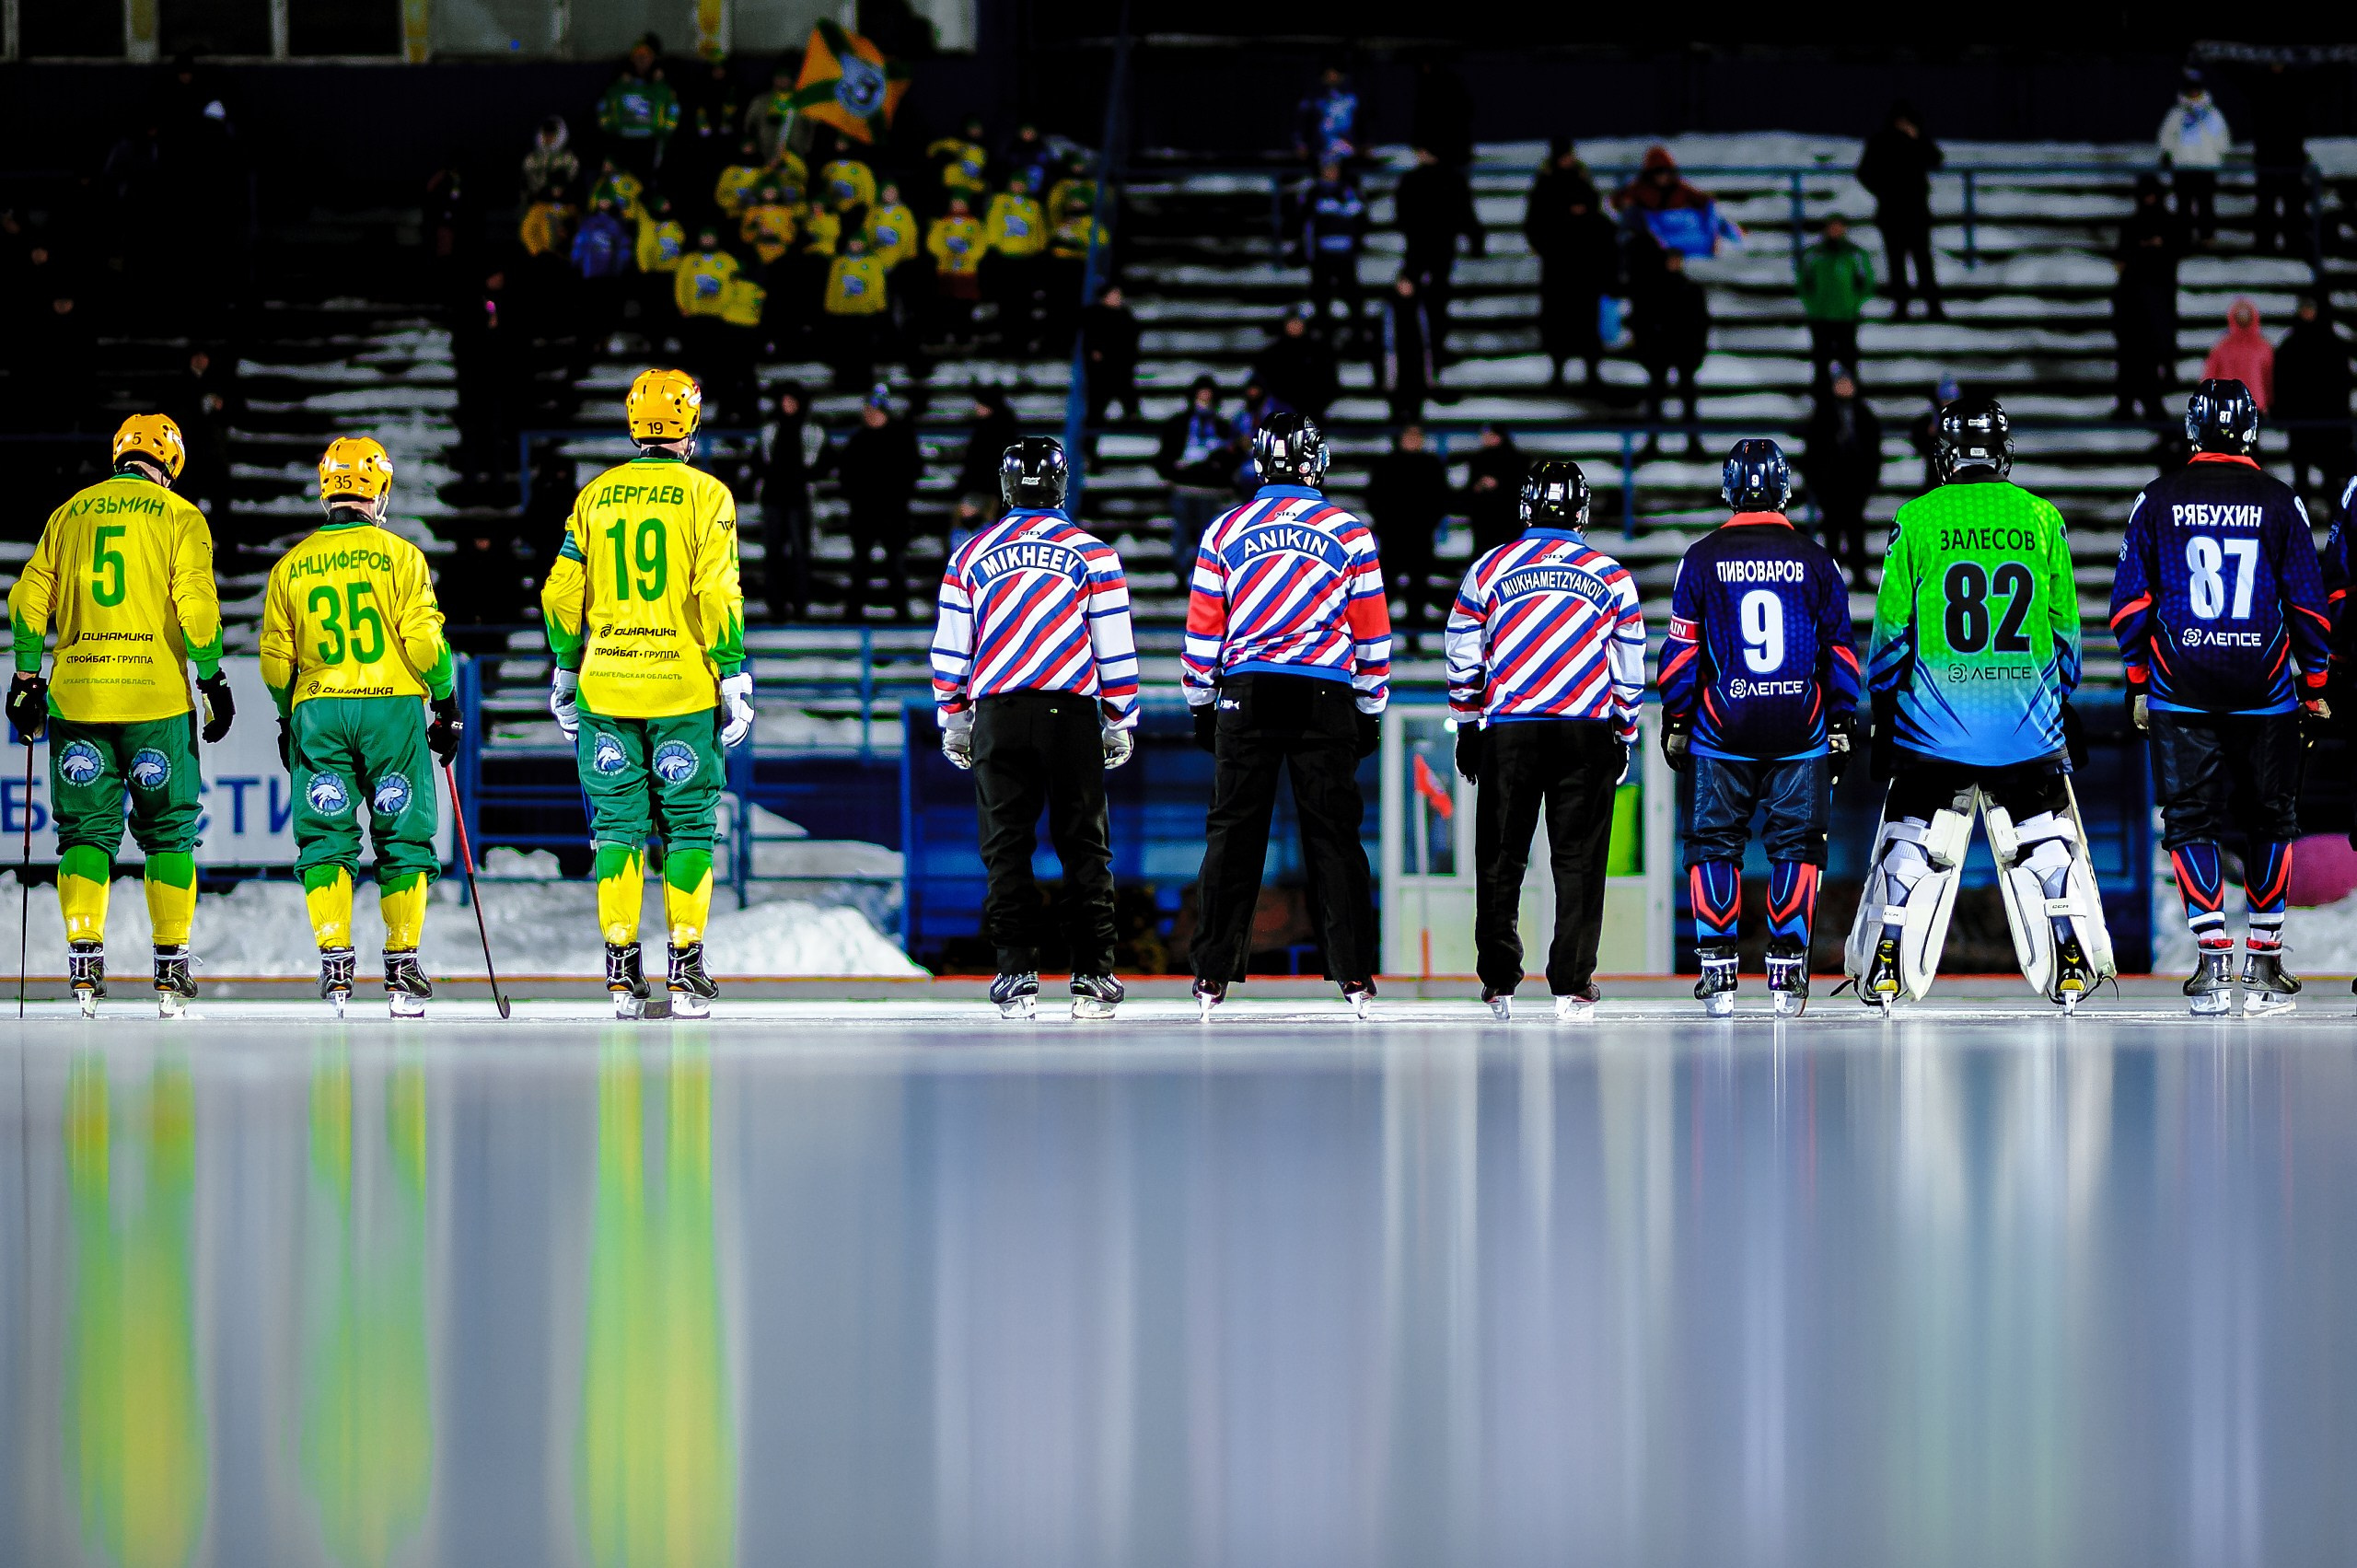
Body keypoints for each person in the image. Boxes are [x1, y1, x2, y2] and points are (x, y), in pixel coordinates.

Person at [1849, 396, 2107, 1011]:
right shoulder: (2043, 519)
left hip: (1934, 729)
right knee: (2044, 832)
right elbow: (2066, 632)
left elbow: (1890, 637)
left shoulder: (1916, 519)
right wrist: (2055, 698)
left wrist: (1886, 703)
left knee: (1911, 833)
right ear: (2002, 450)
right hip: (2025, 724)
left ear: (1947, 452)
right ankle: (2069, 947)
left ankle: (1888, 951)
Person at [2110, 379, 2333, 1015]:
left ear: (2193, 431)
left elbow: (2128, 605)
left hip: (2180, 690)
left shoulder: (2157, 499)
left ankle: (2211, 964)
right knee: (2272, 818)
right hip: (2264, 692)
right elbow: (2310, 609)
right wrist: (2314, 685)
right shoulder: (2280, 500)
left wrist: (2137, 680)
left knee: (2188, 820)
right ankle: (2264, 963)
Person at [541, 368, 752, 1019]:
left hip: (605, 686)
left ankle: (620, 971)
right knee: (688, 825)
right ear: (689, 424)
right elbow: (717, 592)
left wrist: (567, 668)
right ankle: (685, 971)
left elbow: (558, 595)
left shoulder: (595, 496)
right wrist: (734, 669)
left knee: (617, 830)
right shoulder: (709, 495)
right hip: (682, 688)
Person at [5, 414, 230, 1018]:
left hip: (79, 699)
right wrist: (212, 677)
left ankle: (83, 964)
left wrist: (26, 677)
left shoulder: (69, 513)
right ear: (171, 465)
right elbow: (198, 610)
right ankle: (170, 969)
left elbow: (26, 600)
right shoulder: (181, 517)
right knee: (169, 834)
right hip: (157, 703)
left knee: (83, 834)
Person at [1182, 414, 1388, 1017]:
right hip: (1324, 692)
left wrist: (1200, 702)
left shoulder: (1225, 530)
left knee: (1233, 838)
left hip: (1246, 691)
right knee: (1334, 839)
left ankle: (1211, 977)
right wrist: (1370, 707)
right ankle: (1354, 977)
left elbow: (1202, 630)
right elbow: (1372, 632)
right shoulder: (1349, 532)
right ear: (1316, 461)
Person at [932, 438, 1141, 1020]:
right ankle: (1093, 976)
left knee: (1005, 848)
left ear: (1005, 486)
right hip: (1070, 714)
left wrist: (953, 717)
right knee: (1084, 847)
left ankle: (1015, 974)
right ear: (1061, 484)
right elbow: (1114, 647)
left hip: (998, 710)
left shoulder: (970, 554)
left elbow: (952, 649)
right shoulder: (1094, 554)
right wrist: (1120, 717)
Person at [1658, 440, 1861, 1017]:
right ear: (1783, 489)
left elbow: (1681, 652)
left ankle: (1718, 972)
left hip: (1721, 730)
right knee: (1796, 847)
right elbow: (1839, 651)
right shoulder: (1817, 559)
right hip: (1801, 728)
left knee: (1712, 844)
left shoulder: (1699, 558)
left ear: (1728, 489)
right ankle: (1787, 973)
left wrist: (1676, 716)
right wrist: (1842, 720)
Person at [258, 438, 459, 1018]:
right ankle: (400, 966)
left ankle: (335, 963)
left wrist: (284, 715)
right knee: (403, 837)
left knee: (325, 836)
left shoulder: (289, 566)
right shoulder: (402, 556)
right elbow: (424, 643)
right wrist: (446, 707)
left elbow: (275, 663)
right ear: (379, 490)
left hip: (318, 707)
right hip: (390, 708)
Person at [1445, 461, 1645, 1023]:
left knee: (1500, 859)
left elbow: (1462, 652)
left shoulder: (1489, 567)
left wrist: (1466, 723)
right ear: (1581, 509)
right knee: (1579, 863)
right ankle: (1573, 982)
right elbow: (1629, 666)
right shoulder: (1610, 573)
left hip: (1511, 729)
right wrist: (1624, 729)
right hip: (1584, 730)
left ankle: (1499, 981)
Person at [1525, 167, 1620, 390]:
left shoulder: (1600, 226)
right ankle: (1559, 373)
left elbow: (1610, 257)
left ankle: (1591, 374)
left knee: (1589, 335)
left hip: (1588, 290)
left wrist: (1608, 284)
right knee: (1560, 334)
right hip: (1562, 290)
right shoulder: (1556, 226)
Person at [836, 389, 923, 621]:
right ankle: (853, 613)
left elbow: (914, 469)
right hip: (864, 514)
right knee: (860, 566)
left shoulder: (901, 438)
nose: (870, 415)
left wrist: (898, 495)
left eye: (874, 411)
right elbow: (845, 475)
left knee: (895, 566)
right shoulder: (858, 440)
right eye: (867, 411)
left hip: (892, 515)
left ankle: (902, 613)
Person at [1855, 99, 1945, 319]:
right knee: (1896, 264)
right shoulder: (1879, 142)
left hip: (1916, 213)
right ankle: (1901, 307)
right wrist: (1883, 191)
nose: (1903, 124)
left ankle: (1932, 306)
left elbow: (1936, 160)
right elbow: (1863, 172)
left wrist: (1919, 138)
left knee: (1923, 262)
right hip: (1892, 213)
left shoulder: (1918, 140)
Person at [1394, 145, 1482, 365]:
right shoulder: (1441, 178)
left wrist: (1475, 239)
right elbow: (1466, 212)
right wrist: (1475, 240)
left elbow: (1465, 211)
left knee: (1433, 299)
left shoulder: (1443, 179)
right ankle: (1423, 347)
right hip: (1429, 247)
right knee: (1426, 298)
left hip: (1431, 247)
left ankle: (1431, 348)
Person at [1799, 365, 1886, 585]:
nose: (1845, 388)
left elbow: (1873, 449)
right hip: (1832, 485)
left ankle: (1859, 575)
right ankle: (1832, 579)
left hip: (1856, 484)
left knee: (1856, 532)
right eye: (1840, 383)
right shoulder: (1823, 415)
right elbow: (1813, 452)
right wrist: (1818, 482)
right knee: (1833, 534)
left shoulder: (1864, 415)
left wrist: (1869, 480)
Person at [1155, 376, 1239, 589]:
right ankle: (1181, 572)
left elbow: (1231, 459)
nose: (1204, 399)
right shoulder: (1178, 424)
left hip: (1210, 490)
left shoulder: (1223, 427)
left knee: (1207, 534)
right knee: (1182, 531)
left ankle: (1200, 574)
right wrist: (1172, 473)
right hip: (1183, 487)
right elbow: (1165, 456)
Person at [2114, 174, 2186, 423]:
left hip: (2156, 302)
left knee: (2149, 358)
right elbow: (2122, 258)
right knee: (2131, 359)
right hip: (2133, 302)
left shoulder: (2168, 224)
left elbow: (2175, 250)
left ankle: (2149, 404)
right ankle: (2128, 405)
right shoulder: (2132, 225)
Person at [1366, 424, 1450, 634]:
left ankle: (1415, 632)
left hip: (1421, 534)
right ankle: (1374, 629)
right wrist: (1385, 523)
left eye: (1417, 436)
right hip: (1393, 534)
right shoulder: (1387, 465)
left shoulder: (1431, 464)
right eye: (1410, 436)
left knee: (1419, 584)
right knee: (1387, 583)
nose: (1414, 440)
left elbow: (1441, 498)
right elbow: (1374, 497)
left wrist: (1429, 522)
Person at [2274, 296, 2353, 507]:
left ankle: (2333, 517)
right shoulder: (2289, 346)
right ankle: (2304, 516)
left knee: (2331, 474)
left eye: (2311, 308)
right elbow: (2281, 381)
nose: (2308, 313)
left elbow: (2343, 382)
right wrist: (2282, 411)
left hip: (2329, 420)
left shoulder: (2334, 345)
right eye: (2304, 309)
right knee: (2301, 474)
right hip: (2300, 420)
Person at [1634, 250, 1710, 457]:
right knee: (1656, 398)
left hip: (1683, 349)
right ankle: (1652, 441)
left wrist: (1697, 351)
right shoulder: (1653, 289)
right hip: (1661, 349)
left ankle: (1692, 441)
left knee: (1687, 398)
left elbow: (1700, 322)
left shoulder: (1691, 289)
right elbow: (1642, 321)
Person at [760, 383, 819, 620]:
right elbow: (759, 461)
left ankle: (799, 605)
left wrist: (804, 477)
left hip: (798, 501)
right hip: (774, 500)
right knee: (773, 556)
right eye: (784, 401)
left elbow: (822, 464)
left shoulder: (811, 431)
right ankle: (776, 605)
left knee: (799, 556)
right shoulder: (770, 431)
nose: (787, 406)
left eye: (792, 401)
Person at [1796, 216, 1875, 389]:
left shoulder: (1855, 254)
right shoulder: (1814, 254)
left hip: (1846, 316)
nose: (1835, 231)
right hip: (1820, 316)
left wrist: (1854, 302)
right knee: (1821, 360)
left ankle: (1851, 400)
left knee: (1848, 360)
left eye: (1839, 227)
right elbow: (1803, 283)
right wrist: (1813, 304)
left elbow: (1867, 281)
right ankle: (1822, 401)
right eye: (1832, 227)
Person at [2156, 68, 2230, 245]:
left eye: (2196, 88)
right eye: (2190, 88)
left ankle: (2207, 237)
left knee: (2206, 204)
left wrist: (2216, 157)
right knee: (2184, 205)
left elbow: (2222, 140)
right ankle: (2184, 237)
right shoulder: (2177, 114)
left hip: (2206, 166)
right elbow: (2166, 137)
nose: (2194, 92)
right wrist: (2169, 153)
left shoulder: (2211, 114)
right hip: (2183, 165)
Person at [1300, 162, 1367, 344]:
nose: (1331, 171)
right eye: (1327, 167)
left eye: (1334, 167)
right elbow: (1303, 220)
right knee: (1321, 297)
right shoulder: (1313, 193)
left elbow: (1362, 217)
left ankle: (1358, 336)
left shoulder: (1350, 191)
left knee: (1352, 296)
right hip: (1322, 255)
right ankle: (1323, 336)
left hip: (1345, 254)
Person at [596, 38, 679, 181]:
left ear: (653, 59)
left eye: (646, 56)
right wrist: (609, 127)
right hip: (623, 140)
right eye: (638, 56)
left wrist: (665, 130)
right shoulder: (619, 85)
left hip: (649, 141)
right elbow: (603, 107)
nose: (642, 60)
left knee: (646, 181)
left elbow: (673, 109)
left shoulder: (661, 86)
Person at [981, 173, 1047, 354]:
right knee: (1006, 301)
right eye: (1015, 183)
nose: (1018, 187)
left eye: (1021, 184)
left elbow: (1040, 233)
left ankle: (1023, 340)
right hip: (1005, 259)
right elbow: (993, 226)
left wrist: (1036, 249)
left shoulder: (1033, 206)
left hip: (1026, 260)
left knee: (1024, 302)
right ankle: (1006, 339)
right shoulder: (1000, 202)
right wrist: (994, 247)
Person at [2249, 61, 2309, 255]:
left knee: (2293, 204)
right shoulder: (2260, 84)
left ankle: (2294, 243)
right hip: (2268, 157)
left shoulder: (2296, 84)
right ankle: (2265, 244)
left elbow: (2298, 123)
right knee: (2266, 203)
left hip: (2290, 157)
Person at [821, 232, 890, 390]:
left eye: (859, 242)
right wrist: (830, 307)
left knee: (863, 350)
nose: (856, 246)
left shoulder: (873, 262)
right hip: (844, 313)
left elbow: (877, 286)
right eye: (853, 242)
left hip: (864, 314)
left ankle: (864, 382)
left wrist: (879, 307)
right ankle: (843, 382)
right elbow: (833, 286)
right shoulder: (839, 262)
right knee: (844, 349)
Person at [951, 387, 1022, 540]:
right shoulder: (997, 428)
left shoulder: (989, 431)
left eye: (980, 404)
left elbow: (979, 463)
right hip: (992, 490)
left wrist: (966, 487)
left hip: (985, 490)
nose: (976, 408)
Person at [1254, 309, 1339, 421]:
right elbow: (1262, 381)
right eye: (1291, 323)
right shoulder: (1272, 353)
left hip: (1311, 409)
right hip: (1280, 410)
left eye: (1297, 323)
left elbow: (1329, 382)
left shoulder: (1319, 352)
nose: (1294, 327)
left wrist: (1317, 405)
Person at [925, 195, 986, 346]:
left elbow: (980, 245)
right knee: (946, 304)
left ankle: (963, 336)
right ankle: (945, 334)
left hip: (966, 272)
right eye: (955, 203)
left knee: (964, 306)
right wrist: (947, 252)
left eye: (961, 203)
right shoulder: (942, 223)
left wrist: (967, 253)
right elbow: (933, 243)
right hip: (946, 271)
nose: (958, 206)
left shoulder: (974, 224)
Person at [1080, 284, 1142, 426]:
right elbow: (1090, 340)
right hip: (1101, 371)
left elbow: (1132, 339)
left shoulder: (1125, 316)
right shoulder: (1093, 315)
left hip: (1121, 367)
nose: (1118, 298)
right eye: (1114, 294)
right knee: (1096, 405)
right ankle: (1089, 440)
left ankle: (1133, 420)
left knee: (1128, 396)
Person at [1377, 273, 1434, 424]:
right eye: (1401, 284)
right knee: (1397, 395)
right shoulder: (1390, 306)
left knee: (1416, 394)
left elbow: (1426, 335)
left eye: (1407, 284)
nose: (1405, 288)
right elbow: (1386, 335)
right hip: (1396, 355)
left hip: (1416, 355)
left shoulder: (1420, 305)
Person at [1463, 424, 1527, 556]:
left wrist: (1499, 484)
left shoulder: (1516, 460)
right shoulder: (1478, 459)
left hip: (1508, 516)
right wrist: (1479, 486)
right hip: (1484, 516)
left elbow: (1520, 486)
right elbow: (1471, 488)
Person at [2201, 297, 2275, 410]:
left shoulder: (2263, 347)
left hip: (2254, 403)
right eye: (2240, 313)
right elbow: (2210, 373)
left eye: (2246, 313)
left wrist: (2269, 400)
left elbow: (2269, 376)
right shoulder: (2222, 346)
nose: (2243, 317)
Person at [1295, 64, 1357, 167]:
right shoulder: (1313, 99)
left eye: (1335, 74)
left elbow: (1362, 122)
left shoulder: (1351, 98)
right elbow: (1301, 123)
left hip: (1347, 148)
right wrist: (1301, 144)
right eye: (1329, 75)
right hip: (1320, 148)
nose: (1332, 77)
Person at [521, 115, 579, 206]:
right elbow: (526, 176)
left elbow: (572, 177)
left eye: (552, 134)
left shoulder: (568, 157)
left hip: (560, 201)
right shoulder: (532, 158)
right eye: (546, 134)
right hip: (536, 201)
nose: (549, 138)